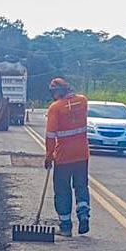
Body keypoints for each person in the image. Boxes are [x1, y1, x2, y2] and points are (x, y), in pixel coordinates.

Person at [44, 78, 91, 237]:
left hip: (63, 157)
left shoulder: (55, 108)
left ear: (58, 92)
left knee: (62, 190)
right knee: (81, 186)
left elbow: (50, 136)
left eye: (54, 92)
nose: (53, 95)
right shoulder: (83, 101)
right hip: (82, 155)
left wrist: (49, 156)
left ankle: (65, 226)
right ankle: (83, 213)